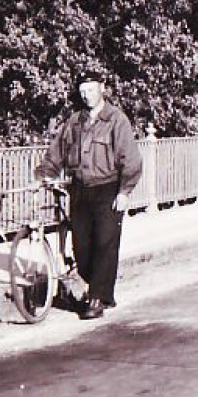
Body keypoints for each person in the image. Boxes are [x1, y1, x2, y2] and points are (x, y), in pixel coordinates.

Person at [38, 72, 144, 321]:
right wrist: (45, 173)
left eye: (91, 90)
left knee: (105, 243)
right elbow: (57, 153)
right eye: (83, 91)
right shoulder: (74, 122)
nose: (86, 95)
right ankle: (103, 290)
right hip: (80, 190)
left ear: (102, 89)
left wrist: (125, 191)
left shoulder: (116, 120)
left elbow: (131, 158)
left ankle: (96, 298)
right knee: (82, 248)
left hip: (108, 188)